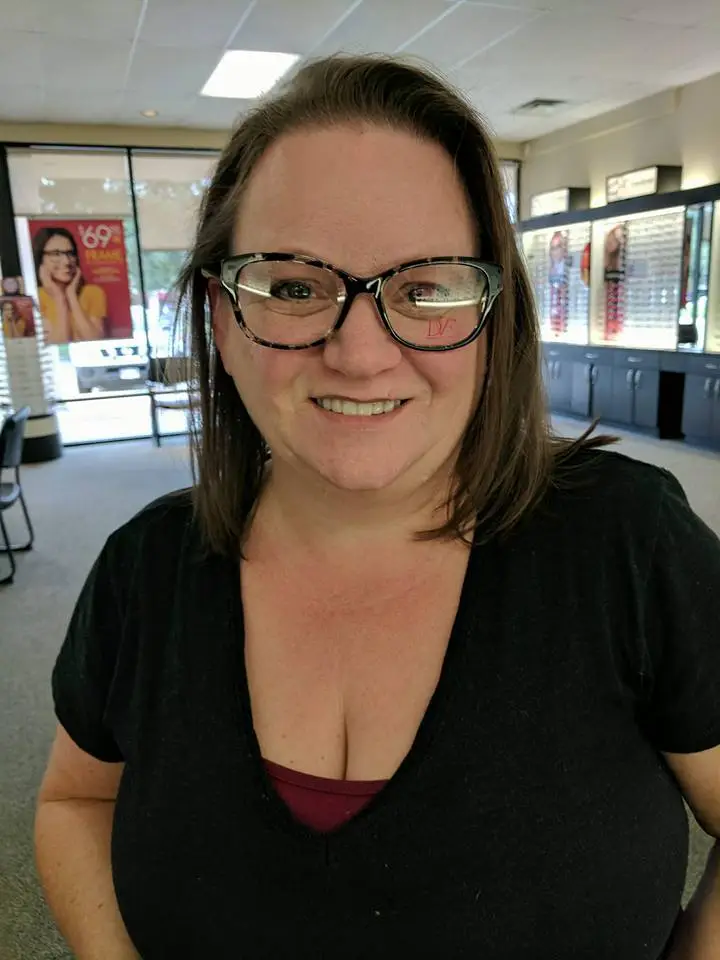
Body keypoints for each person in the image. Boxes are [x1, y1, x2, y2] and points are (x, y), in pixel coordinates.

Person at [35, 55, 720, 960]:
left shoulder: (630, 543)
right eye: (292, 287)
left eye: (425, 287)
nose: (360, 355)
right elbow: (74, 798)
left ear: (493, 318)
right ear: (221, 321)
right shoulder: (145, 569)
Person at [31, 226, 107, 343]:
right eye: (56, 254)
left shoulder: (93, 293)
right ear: (41, 259)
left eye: (70, 253)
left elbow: (94, 342)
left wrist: (71, 296)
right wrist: (60, 299)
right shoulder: (34, 298)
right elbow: (58, 347)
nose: (67, 261)